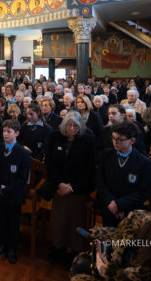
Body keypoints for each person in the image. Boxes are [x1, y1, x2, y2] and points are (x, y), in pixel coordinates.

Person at [46, 111, 96, 269]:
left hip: (78, 189)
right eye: (69, 125)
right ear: (64, 125)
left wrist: (72, 186)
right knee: (59, 221)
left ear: (80, 127)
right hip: (59, 188)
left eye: (76, 126)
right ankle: (58, 248)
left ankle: (72, 252)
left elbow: (89, 168)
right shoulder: (55, 136)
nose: (72, 128)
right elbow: (50, 163)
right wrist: (60, 184)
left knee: (75, 222)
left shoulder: (88, 139)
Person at [96, 121, 151, 226]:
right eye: (113, 138)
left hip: (130, 212)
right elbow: (100, 182)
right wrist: (112, 203)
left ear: (132, 140)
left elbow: (144, 192)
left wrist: (119, 205)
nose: (115, 142)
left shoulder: (144, 162)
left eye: (120, 139)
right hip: (109, 207)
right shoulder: (106, 155)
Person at [0, 119, 30, 264]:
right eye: (4, 131)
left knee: (13, 222)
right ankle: (1, 244)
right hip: (0, 192)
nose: (5, 134)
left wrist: (7, 190)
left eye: (9, 131)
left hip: (14, 194)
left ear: (17, 133)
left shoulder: (23, 153)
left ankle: (12, 248)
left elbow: (22, 178)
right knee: (1, 219)